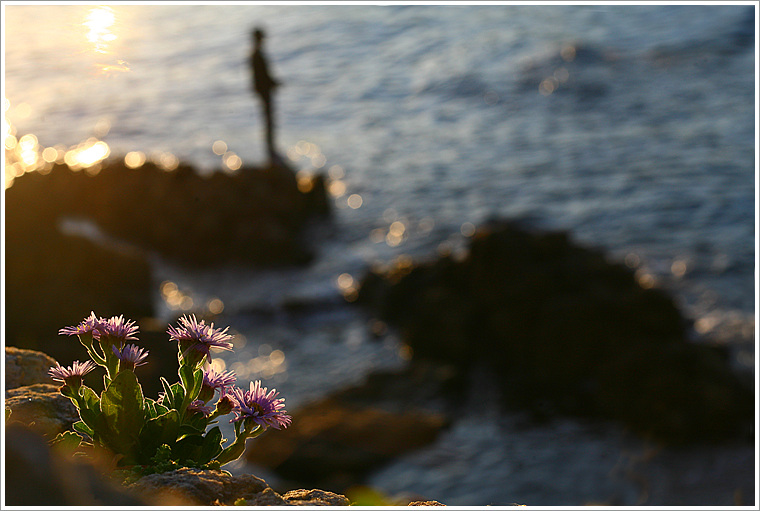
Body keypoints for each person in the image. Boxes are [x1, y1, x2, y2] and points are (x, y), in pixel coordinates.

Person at [249, 28, 281, 165]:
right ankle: (270, 149)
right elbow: (261, 76)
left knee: (268, 119)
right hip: (264, 92)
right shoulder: (257, 55)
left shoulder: (255, 54)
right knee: (268, 120)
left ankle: (270, 148)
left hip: (264, 91)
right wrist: (273, 83)